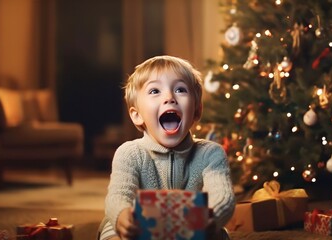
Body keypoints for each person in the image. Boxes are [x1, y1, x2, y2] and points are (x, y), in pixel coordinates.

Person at [99, 55, 235, 240]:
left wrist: (211, 217)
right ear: (137, 115)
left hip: (191, 225)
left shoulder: (211, 153)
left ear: (197, 111)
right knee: (112, 230)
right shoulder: (129, 153)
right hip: (139, 226)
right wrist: (123, 216)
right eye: (155, 91)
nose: (169, 97)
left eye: (180, 89)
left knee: (219, 235)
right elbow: (118, 194)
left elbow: (222, 196)